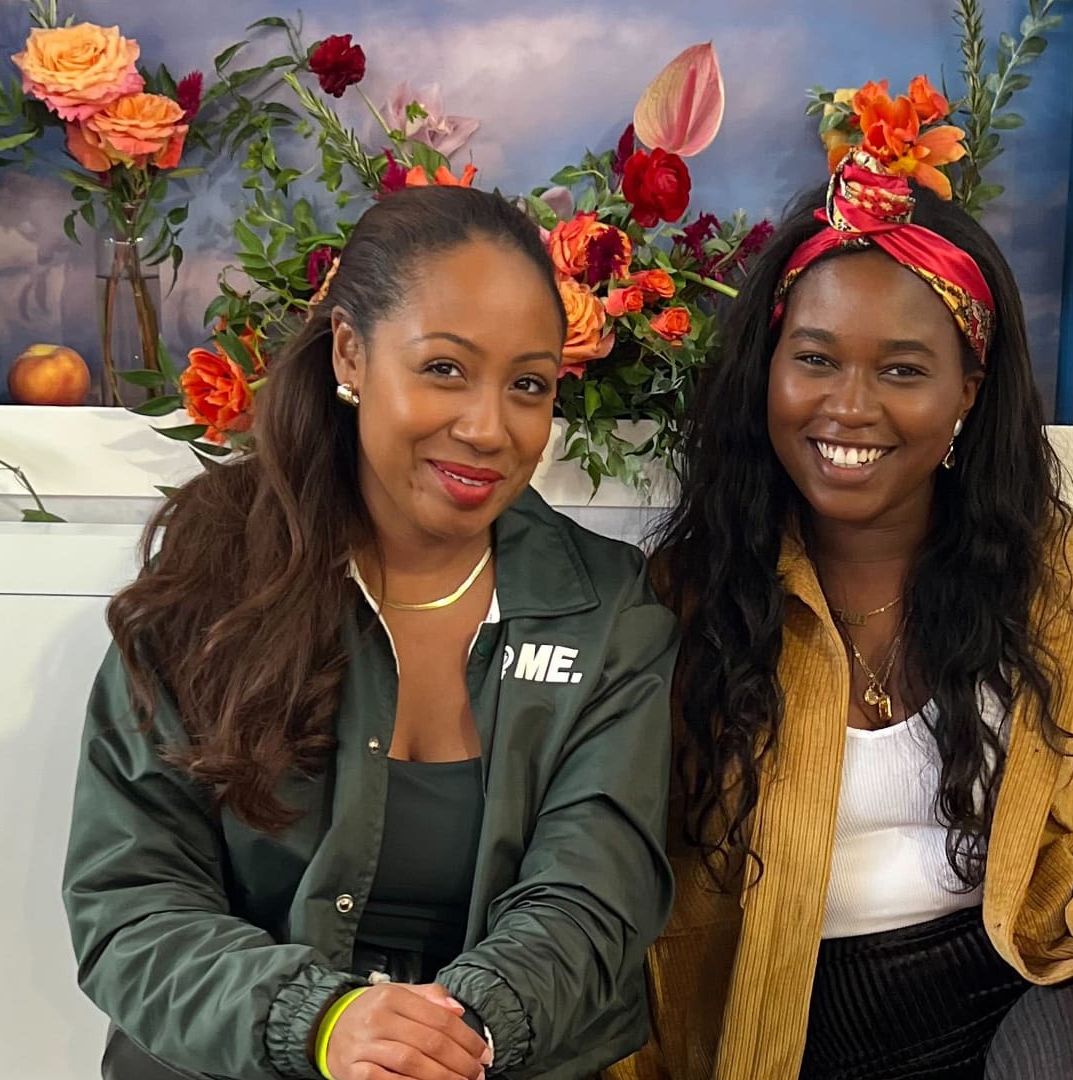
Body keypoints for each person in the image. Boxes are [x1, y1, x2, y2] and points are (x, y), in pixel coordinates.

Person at [611, 150, 1073, 1080]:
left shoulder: (1070, 592)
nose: (850, 406)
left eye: (903, 369)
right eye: (814, 360)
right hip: (767, 1028)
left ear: (967, 388)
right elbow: (605, 887)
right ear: (767, 370)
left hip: (1020, 999)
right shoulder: (675, 612)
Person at [64, 186, 678, 1080]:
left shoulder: (610, 610)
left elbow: (596, 893)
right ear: (351, 352)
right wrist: (324, 1026)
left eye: (529, 386)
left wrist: (447, 1042)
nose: (487, 428)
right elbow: (134, 902)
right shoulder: (211, 586)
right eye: (444, 369)